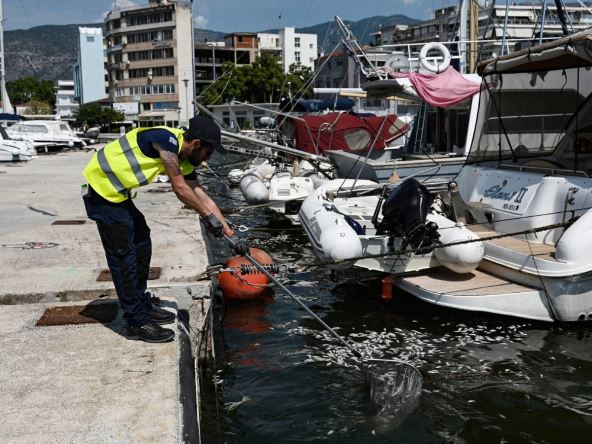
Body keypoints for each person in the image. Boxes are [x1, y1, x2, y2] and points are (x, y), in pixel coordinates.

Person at [81, 116, 248, 343]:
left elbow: (200, 195)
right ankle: (136, 322)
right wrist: (208, 218)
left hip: (117, 195)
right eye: (209, 151)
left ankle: (140, 304)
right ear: (197, 144)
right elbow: (179, 188)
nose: (210, 157)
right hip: (101, 192)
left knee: (142, 242)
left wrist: (230, 233)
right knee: (124, 257)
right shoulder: (166, 140)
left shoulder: (185, 159)